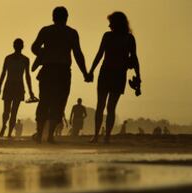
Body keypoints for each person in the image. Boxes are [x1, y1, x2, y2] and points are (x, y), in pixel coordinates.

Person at [31, 6, 89, 143]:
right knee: (58, 103)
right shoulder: (71, 33)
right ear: (66, 18)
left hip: (48, 70)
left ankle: (39, 134)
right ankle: (50, 135)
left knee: (44, 101)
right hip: (63, 72)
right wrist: (85, 73)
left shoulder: (46, 31)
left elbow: (34, 47)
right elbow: (78, 54)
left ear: (53, 17)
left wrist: (44, 54)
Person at [88, 11, 141, 143]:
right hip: (114, 74)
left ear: (117, 23)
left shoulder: (118, 37)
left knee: (103, 106)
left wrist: (91, 71)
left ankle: (100, 136)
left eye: (111, 23)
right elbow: (134, 59)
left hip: (109, 74)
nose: (109, 25)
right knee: (108, 107)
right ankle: (103, 136)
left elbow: (134, 58)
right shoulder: (127, 38)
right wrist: (91, 70)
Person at [0, 38, 34, 138]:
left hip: (12, 85)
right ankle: (7, 130)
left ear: (14, 46)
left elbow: (3, 74)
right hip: (16, 85)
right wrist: (30, 91)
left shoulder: (12, 58)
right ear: (22, 46)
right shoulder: (23, 59)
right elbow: (27, 76)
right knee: (12, 111)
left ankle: (5, 128)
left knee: (7, 110)